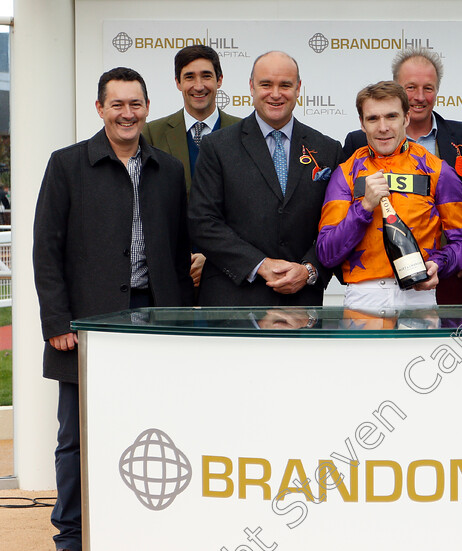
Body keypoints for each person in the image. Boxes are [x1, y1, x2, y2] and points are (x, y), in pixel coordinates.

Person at [33, 67, 193, 551]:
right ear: (100, 108)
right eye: (117, 105)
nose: (128, 114)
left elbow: (179, 251)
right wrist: (57, 322)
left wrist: (183, 323)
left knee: (155, 427)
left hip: (155, 321)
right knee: (76, 437)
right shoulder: (67, 165)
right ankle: (72, 534)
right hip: (88, 323)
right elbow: (46, 249)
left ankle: (142, 528)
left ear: (147, 108)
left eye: (136, 104)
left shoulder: (169, 169)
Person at [188, 51, 343, 306]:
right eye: (266, 84)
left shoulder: (328, 149)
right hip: (232, 305)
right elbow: (203, 222)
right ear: (251, 87)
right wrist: (260, 265)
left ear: (298, 88)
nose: (275, 93)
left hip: (301, 303)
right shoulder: (217, 147)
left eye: (285, 85)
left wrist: (309, 270)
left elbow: (338, 226)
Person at [343, 47, 462, 304]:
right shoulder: (357, 143)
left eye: (428, 88)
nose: (419, 97)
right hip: (377, 281)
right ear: (395, 89)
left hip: (451, 274)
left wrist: (454, 259)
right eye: (410, 87)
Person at [317, 81, 462, 309]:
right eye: (373, 119)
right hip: (363, 298)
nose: (383, 127)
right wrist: (364, 208)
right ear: (362, 123)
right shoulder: (345, 173)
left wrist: (438, 264)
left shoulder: (439, 170)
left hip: (418, 294)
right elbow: (326, 253)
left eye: (391, 116)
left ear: (406, 118)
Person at [142, 45, 240, 288]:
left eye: (206, 76)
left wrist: (214, 255)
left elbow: (250, 210)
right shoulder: (151, 133)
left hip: (229, 274)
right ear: (177, 82)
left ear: (219, 80)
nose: (198, 86)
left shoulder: (245, 133)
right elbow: (147, 206)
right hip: (171, 273)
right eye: (189, 77)